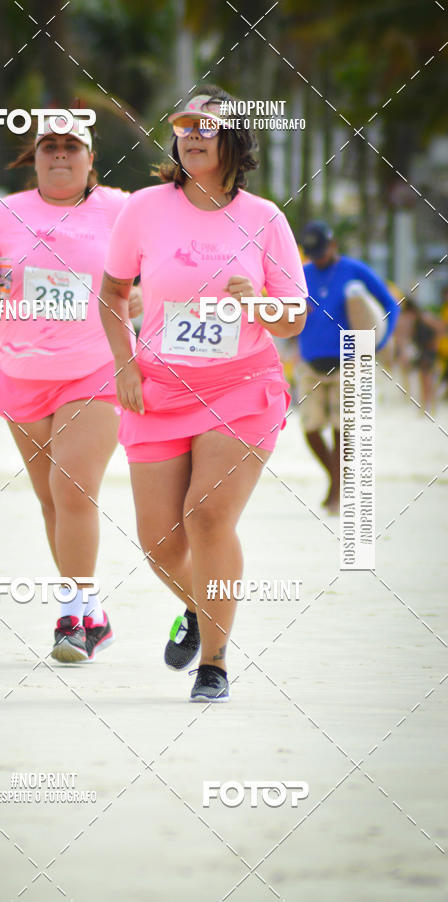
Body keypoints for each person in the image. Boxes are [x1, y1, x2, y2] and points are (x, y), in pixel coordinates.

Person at [99, 86, 307, 703]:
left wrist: (260, 304)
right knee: (162, 543)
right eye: (183, 124)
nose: (192, 133)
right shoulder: (142, 208)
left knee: (208, 516)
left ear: (234, 138)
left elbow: (294, 316)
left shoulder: (265, 218)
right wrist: (125, 364)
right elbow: (111, 295)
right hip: (159, 388)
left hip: (242, 387)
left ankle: (213, 663)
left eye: (206, 125)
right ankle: (199, 607)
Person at [0, 113, 141, 663]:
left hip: (95, 369)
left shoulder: (121, 208)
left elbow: (158, 269)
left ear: (90, 159)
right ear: (34, 158)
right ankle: (95, 614)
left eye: (71, 147)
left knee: (73, 490)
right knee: (50, 501)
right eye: (49, 147)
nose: (60, 155)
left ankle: (71, 616)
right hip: (23, 374)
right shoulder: (6, 213)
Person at [297, 221, 398, 514]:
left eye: (321, 250)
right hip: (310, 362)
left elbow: (391, 303)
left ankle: (336, 492)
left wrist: (380, 341)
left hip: (349, 362)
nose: (317, 257)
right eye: (311, 252)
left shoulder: (356, 270)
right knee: (311, 428)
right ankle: (335, 481)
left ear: (333, 245)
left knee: (343, 429)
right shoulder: (302, 274)